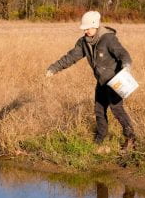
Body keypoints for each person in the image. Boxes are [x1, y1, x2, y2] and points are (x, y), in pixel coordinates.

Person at [46, 11, 135, 155]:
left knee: (117, 109)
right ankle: (100, 138)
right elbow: (70, 57)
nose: (85, 31)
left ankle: (130, 138)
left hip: (115, 81)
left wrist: (126, 66)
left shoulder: (108, 39)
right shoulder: (83, 43)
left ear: (95, 25)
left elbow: (123, 54)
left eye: (88, 28)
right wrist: (53, 69)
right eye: (84, 28)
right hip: (101, 82)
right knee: (99, 110)